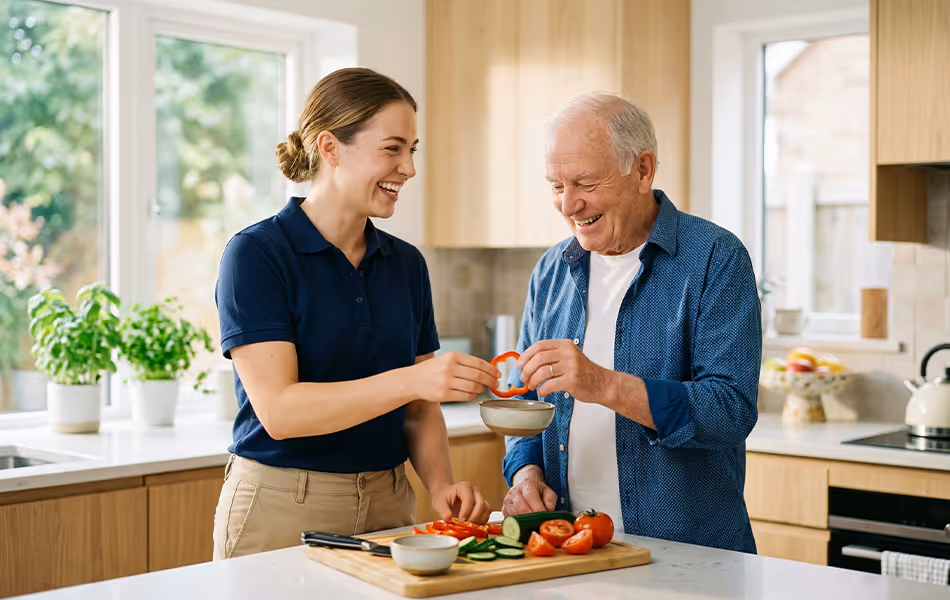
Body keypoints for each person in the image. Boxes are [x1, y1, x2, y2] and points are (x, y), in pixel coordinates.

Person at [212, 68, 501, 560]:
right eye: (392, 148)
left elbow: (418, 409)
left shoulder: (406, 263)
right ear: (330, 148)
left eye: (413, 149)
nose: (408, 168)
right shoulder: (257, 255)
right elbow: (280, 412)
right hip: (282, 506)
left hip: (389, 504)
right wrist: (414, 380)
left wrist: (439, 486)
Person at [501, 92, 761, 553]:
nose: (568, 205)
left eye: (584, 182)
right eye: (556, 186)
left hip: (689, 555)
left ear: (643, 170)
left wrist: (602, 384)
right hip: (573, 550)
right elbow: (525, 399)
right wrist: (526, 473)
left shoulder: (715, 258)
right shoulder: (551, 269)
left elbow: (728, 411)